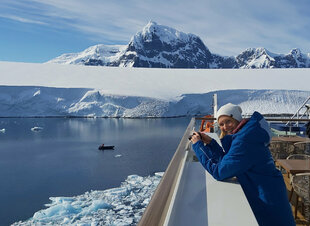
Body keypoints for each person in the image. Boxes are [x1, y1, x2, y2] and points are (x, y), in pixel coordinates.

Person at [190, 103, 295, 226]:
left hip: (266, 195)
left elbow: (219, 172)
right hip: (268, 188)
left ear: (236, 119)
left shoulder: (244, 140)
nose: (224, 127)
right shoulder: (246, 134)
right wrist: (211, 143)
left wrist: (198, 145)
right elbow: (230, 160)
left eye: (228, 121)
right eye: (221, 124)